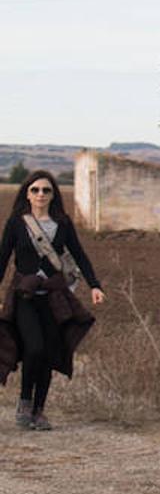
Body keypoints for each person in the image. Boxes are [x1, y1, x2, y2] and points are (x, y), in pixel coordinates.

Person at [0, 170, 105, 430]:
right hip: (24, 296)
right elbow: (2, 258)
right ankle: (25, 401)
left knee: (47, 352)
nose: (40, 195)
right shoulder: (16, 223)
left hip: (53, 297)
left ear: (53, 195)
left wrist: (94, 285)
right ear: (27, 193)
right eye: (35, 190)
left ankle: (39, 411)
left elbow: (79, 255)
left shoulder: (63, 223)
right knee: (34, 348)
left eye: (46, 190)